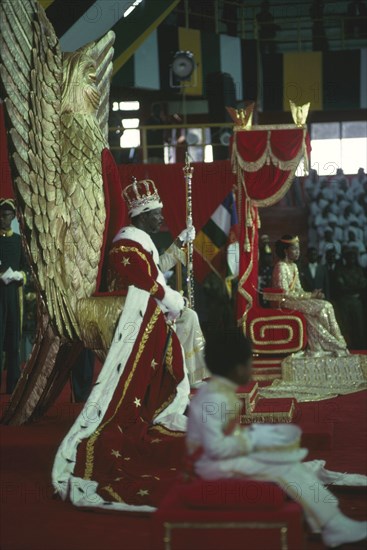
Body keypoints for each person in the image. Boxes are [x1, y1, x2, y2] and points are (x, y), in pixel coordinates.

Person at [187, 328, 367, 548]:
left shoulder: (219, 392)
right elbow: (215, 448)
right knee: (286, 467)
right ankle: (333, 524)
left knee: (288, 461)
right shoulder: (212, 400)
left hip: (221, 461)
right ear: (237, 369)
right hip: (213, 468)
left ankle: (330, 522)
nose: (252, 369)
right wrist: (254, 441)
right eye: (249, 362)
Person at [108, 178, 208, 386]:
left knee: (189, 316)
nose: (161, 218)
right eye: (157, 214)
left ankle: (190, 376)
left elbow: (157, 267)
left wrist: (180, 240)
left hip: (150, 305)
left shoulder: (141, 239)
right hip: (137, 311)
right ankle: (179, 377)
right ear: (143, 216)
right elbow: (146, 282)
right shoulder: (129, 243)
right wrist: (172, 300)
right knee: (187, 316)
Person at [272, 235, 347, 352]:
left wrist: (313, 294)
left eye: (299, 249)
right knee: (323, 308)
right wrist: (310, 296)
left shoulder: (294, 266)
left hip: (296, 299)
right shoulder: (281, 266)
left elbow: (299, 290)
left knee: (327, 305)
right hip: (285, 302)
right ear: (286, 251)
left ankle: (337, 340)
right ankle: (332, 344)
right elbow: (285, 293)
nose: (298, 252)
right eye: (294, 249)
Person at [0, 198, 27, 393]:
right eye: (1, 215)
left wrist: (20, 275)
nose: (3, 219)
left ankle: (13, 385)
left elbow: (26, 268)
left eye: (7, 215)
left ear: (13, 217)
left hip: (13, 295)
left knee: (13, 338)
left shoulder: (19, 240)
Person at [335, 246, 367, 350]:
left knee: (359, 325)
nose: (351, 259)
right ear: (345, 258)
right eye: (349, 257)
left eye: (353, 257)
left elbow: (363, 285)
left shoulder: (360, 270)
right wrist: (355, 286)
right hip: (344, 301)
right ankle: (348, 348)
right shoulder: (340, 270)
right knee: (346, 326)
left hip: (357, 301)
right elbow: (341, 287)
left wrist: (350, 286)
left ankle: (360, 348)